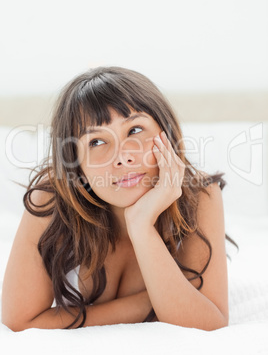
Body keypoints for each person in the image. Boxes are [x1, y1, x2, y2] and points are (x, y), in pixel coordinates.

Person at [2, 66, 231, 331]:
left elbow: (211, 323)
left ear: (166, 133)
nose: (122, 156)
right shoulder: (52, 201)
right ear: (77, 165)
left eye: (134, 130)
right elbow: (19, 321)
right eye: (96, 142)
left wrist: (141, 226)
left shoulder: (199, 195)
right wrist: (151, 302)